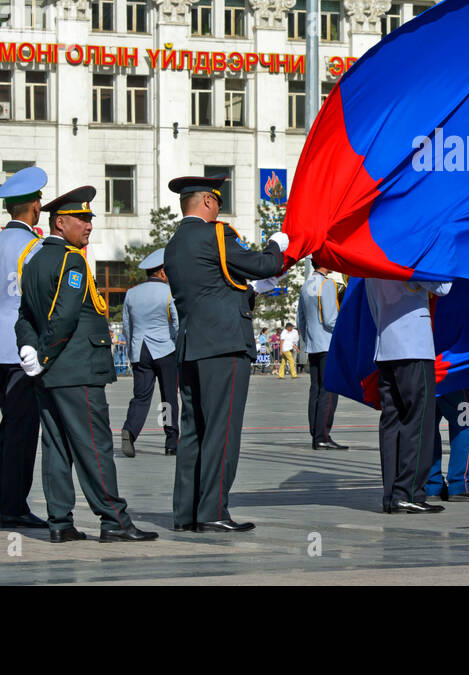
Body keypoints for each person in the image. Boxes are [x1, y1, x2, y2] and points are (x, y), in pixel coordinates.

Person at [14, 187, 158, 544]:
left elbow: (24, 318)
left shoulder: (31, 263)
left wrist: (30, 352)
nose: (89, 226)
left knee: (57, 447)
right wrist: (44, 354)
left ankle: (60, 521)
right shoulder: (71, 261)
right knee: (93, 445)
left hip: (48, 374)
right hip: (76, 367)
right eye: (82, 219)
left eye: (90, 219)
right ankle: (114, 519)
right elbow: (63, 317)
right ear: (60, 223)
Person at [165, 175, 285, 532]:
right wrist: (276, 244)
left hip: (191, 347)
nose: (219, 208)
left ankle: (186, 513)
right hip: (225, 346)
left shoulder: (174, 244)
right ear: (205, 202)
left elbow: (212, 292)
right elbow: (265, 264)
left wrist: (252, 292)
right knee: (222, 430)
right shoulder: (217, 234)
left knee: (194, 432)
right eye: (216, 201)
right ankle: (214, 511)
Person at [0, 166, 47, 527]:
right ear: (33, 207)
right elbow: (40, 301)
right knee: (22, 430)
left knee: (9, 428)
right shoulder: (34, 247)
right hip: (23, 350)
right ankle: (14, 507)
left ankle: (7, 505)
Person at [367, 276, 453, 514]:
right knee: (419, 421)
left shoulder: (372, 260)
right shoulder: (411, 253)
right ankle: (410, 492)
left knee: (392, 423)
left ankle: (392, 494)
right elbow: (444, 287)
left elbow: (373, 305)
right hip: (414, 346)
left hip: (386, 346)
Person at [120, 249, 180, 458]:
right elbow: (178, 322)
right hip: (164, 349)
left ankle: (130, 430)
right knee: (168, 397)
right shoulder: (169, 292)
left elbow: (127, 326)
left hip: (140, 350)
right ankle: (171, 440)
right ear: (162, 273)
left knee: (141, 396)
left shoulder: (131, 293)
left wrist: (131, 349)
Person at [298, 262, 345, 450]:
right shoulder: (328, 285)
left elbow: (300, 318)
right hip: (327, 343)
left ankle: (315, 432)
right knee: (329, 391)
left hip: (313, 344)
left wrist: (307, 338)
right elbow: (331, 319)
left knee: (315, 390)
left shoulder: (306, 284)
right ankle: (323, 435)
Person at [427, 387, 469, 501]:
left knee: (428, 427)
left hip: (426, 375)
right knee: (465, 423)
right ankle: (460, 483)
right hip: (455, 377)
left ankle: (431, 484)